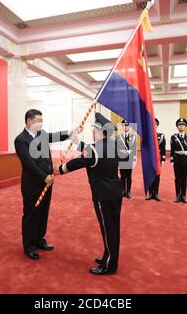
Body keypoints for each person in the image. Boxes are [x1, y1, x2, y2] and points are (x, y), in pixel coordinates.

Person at [55, 113, 125, 275]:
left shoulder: (95, 149)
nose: (92, 131)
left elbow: (80, 161)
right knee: (112, 227)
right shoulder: (114, 145)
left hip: (103, 195)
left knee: (108, 229)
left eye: (94, 129)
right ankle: (108, 255)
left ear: (100, 131)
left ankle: (110, 265)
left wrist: (59, 169)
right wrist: (78, 143)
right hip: (115, 191)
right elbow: (92, 151)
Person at [14, 109, 81, 260]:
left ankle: (39, 240)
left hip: (48, 181)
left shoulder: (42, 134)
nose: (41, 123)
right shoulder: (21, 140)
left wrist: (71, 132)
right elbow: (28, 163)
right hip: (32, 183)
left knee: (43, 212)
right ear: (29, 121)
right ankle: (29, 246)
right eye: (38, 121)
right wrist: (44, 176)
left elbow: (54, 136)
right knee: (31, 214)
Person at [170, 118, 187, 203]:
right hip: (177, 160)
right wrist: (172, 160)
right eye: (179, 125)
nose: (181, 126)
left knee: (184, 178)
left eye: (183, 125)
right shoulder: (173, 137)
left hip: (185, 160)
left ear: (185, 126)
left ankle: (183, 195)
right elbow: (172, 150)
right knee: (177, 178)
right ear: (177, 126)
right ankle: (177, 195)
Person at [146, 118, 166, 201]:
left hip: (158, 159)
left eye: (155, 124)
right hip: (150, 159)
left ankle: (156, 193)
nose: (154, 125)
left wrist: (163, 159)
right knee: (150, 175)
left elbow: (163, 148)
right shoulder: (147, 136)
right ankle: (150, 193)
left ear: (157, 125)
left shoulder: (161, 136)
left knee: (157, 176)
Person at [117, 119, 137, 199]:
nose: (125, 127)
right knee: (122, 177)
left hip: (129, 159)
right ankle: (122, 191)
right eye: (124, 125)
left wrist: (134, 160)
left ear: (129, 126)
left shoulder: (133, 137)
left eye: (127, 125)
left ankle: (128, 192)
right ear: (122, 126)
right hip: (121, 159)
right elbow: (117, 149)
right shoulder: (118, 137)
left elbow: (134, 149)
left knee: (128, 176)